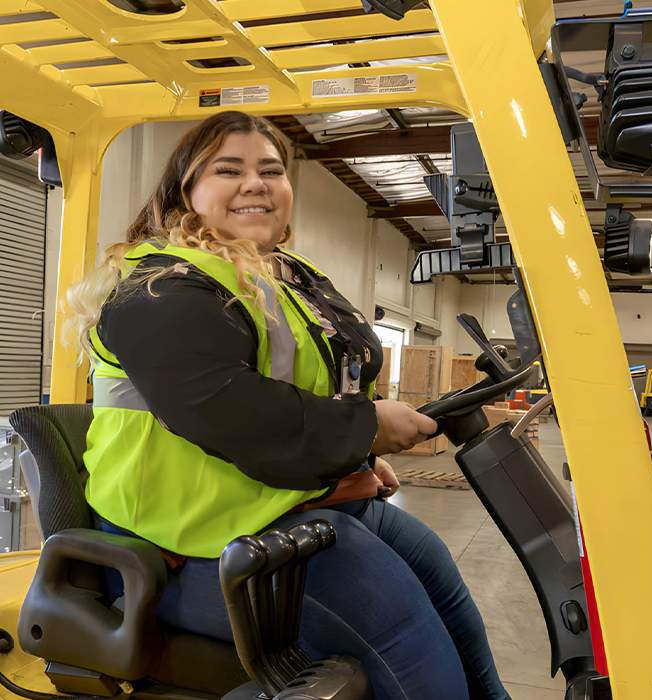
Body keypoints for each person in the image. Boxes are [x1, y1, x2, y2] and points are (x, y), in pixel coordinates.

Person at [65, 110, 511, 700]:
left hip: (273, 500)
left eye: (270, 170)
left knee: (442, 583)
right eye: (229, 169)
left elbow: (324, 378)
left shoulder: (287, 275)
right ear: (186, 191)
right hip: (188, 537)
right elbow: (230, 410)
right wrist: (365, 430)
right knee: (404, 632)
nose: (256, 183)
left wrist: (351, 459)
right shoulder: (159, 289)